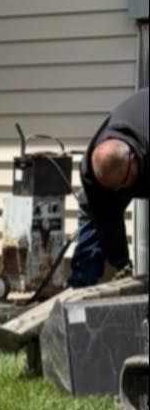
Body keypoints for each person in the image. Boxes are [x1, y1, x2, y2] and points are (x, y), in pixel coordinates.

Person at [68, 87, 149, 287]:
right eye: (113, 189)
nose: (119, 193)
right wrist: (121, 263)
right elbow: (107, 220)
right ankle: (80, 293)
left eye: (122, 185)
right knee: (94, 211)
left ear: (132, 160)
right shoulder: (91, 171)